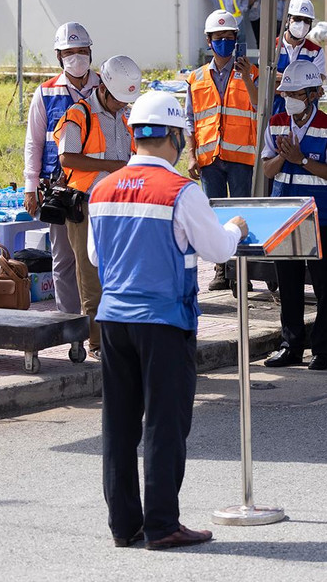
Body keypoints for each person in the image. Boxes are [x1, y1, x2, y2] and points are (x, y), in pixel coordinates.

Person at [88, 90, 247, 551]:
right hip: (164, 320)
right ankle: (162, 525)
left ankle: (125, 526)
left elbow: (99, 257)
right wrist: (234, 228)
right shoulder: (183, 190)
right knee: (164, 423)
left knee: (118, 425)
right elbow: (217, 249)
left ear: (135, 135)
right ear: (176, 136)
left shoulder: (102, 189)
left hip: (114, 320)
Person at [54, 55, 141, 355]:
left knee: (118, 273)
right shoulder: (78, 114)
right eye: (118, 99)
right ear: (102, 88)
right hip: (87, 205)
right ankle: (97, 342)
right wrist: (111, 166)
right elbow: (67, 157)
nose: (122, 105)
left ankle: (117, 337)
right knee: (90, 275)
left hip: (119, 204)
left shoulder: (125, 117)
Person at [262, 63, 327, 370]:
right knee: (289, 284)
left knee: (323, 286)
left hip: (319, 215)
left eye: (296, 93)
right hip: (285, 214)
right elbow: (268, 170)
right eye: (287, 93)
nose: (290, 99)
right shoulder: (276, 123)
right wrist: (284, 156)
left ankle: (323, 350)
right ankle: (291, 346)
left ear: (312, 95)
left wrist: (302, 159)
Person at [23, 22, 98, 315]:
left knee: (96, 256)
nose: (76, 57)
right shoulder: (45, 93)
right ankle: (70, 323)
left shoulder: (104, 87)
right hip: (59, 189)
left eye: (81, 51)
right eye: (70, 52)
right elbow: (34, 142)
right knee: (64, 258)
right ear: (58, 56)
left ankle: (97, 321)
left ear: (90, 52)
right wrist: (31, 187)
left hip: (98, 185)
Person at [185, 10, 258, 294]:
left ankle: (241, 272)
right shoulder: (196, 78)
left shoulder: (251, 72)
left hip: (241, 157)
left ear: (236, 40)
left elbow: (257, 106)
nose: (224, 42)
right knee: (214, 216)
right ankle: (220, 270)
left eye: (229, 37)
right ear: (209, 40)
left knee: (240, 215)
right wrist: (191, 156)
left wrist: (246, 77)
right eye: (219, 38)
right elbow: (191, 120)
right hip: (209, 157)